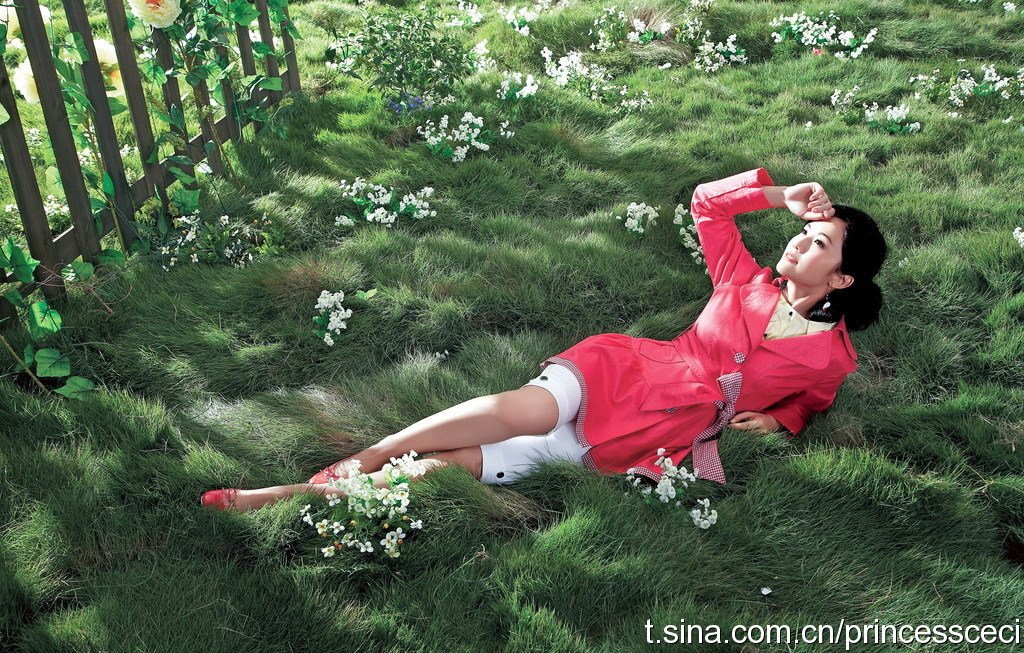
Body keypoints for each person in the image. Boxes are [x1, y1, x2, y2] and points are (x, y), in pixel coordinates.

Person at [202, 167, 887, 511]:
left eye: (819, 243)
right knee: (513, 411)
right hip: (624, 371)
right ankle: (372, 452)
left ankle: (280, 497)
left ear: (843, 278)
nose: (799, 242)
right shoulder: (741, 279)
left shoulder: (832, 356)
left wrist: (780, 417)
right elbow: (706, 204)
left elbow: (813, 400)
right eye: (804, 231)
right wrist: (778, 195)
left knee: (449, 469)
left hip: (649, 434)